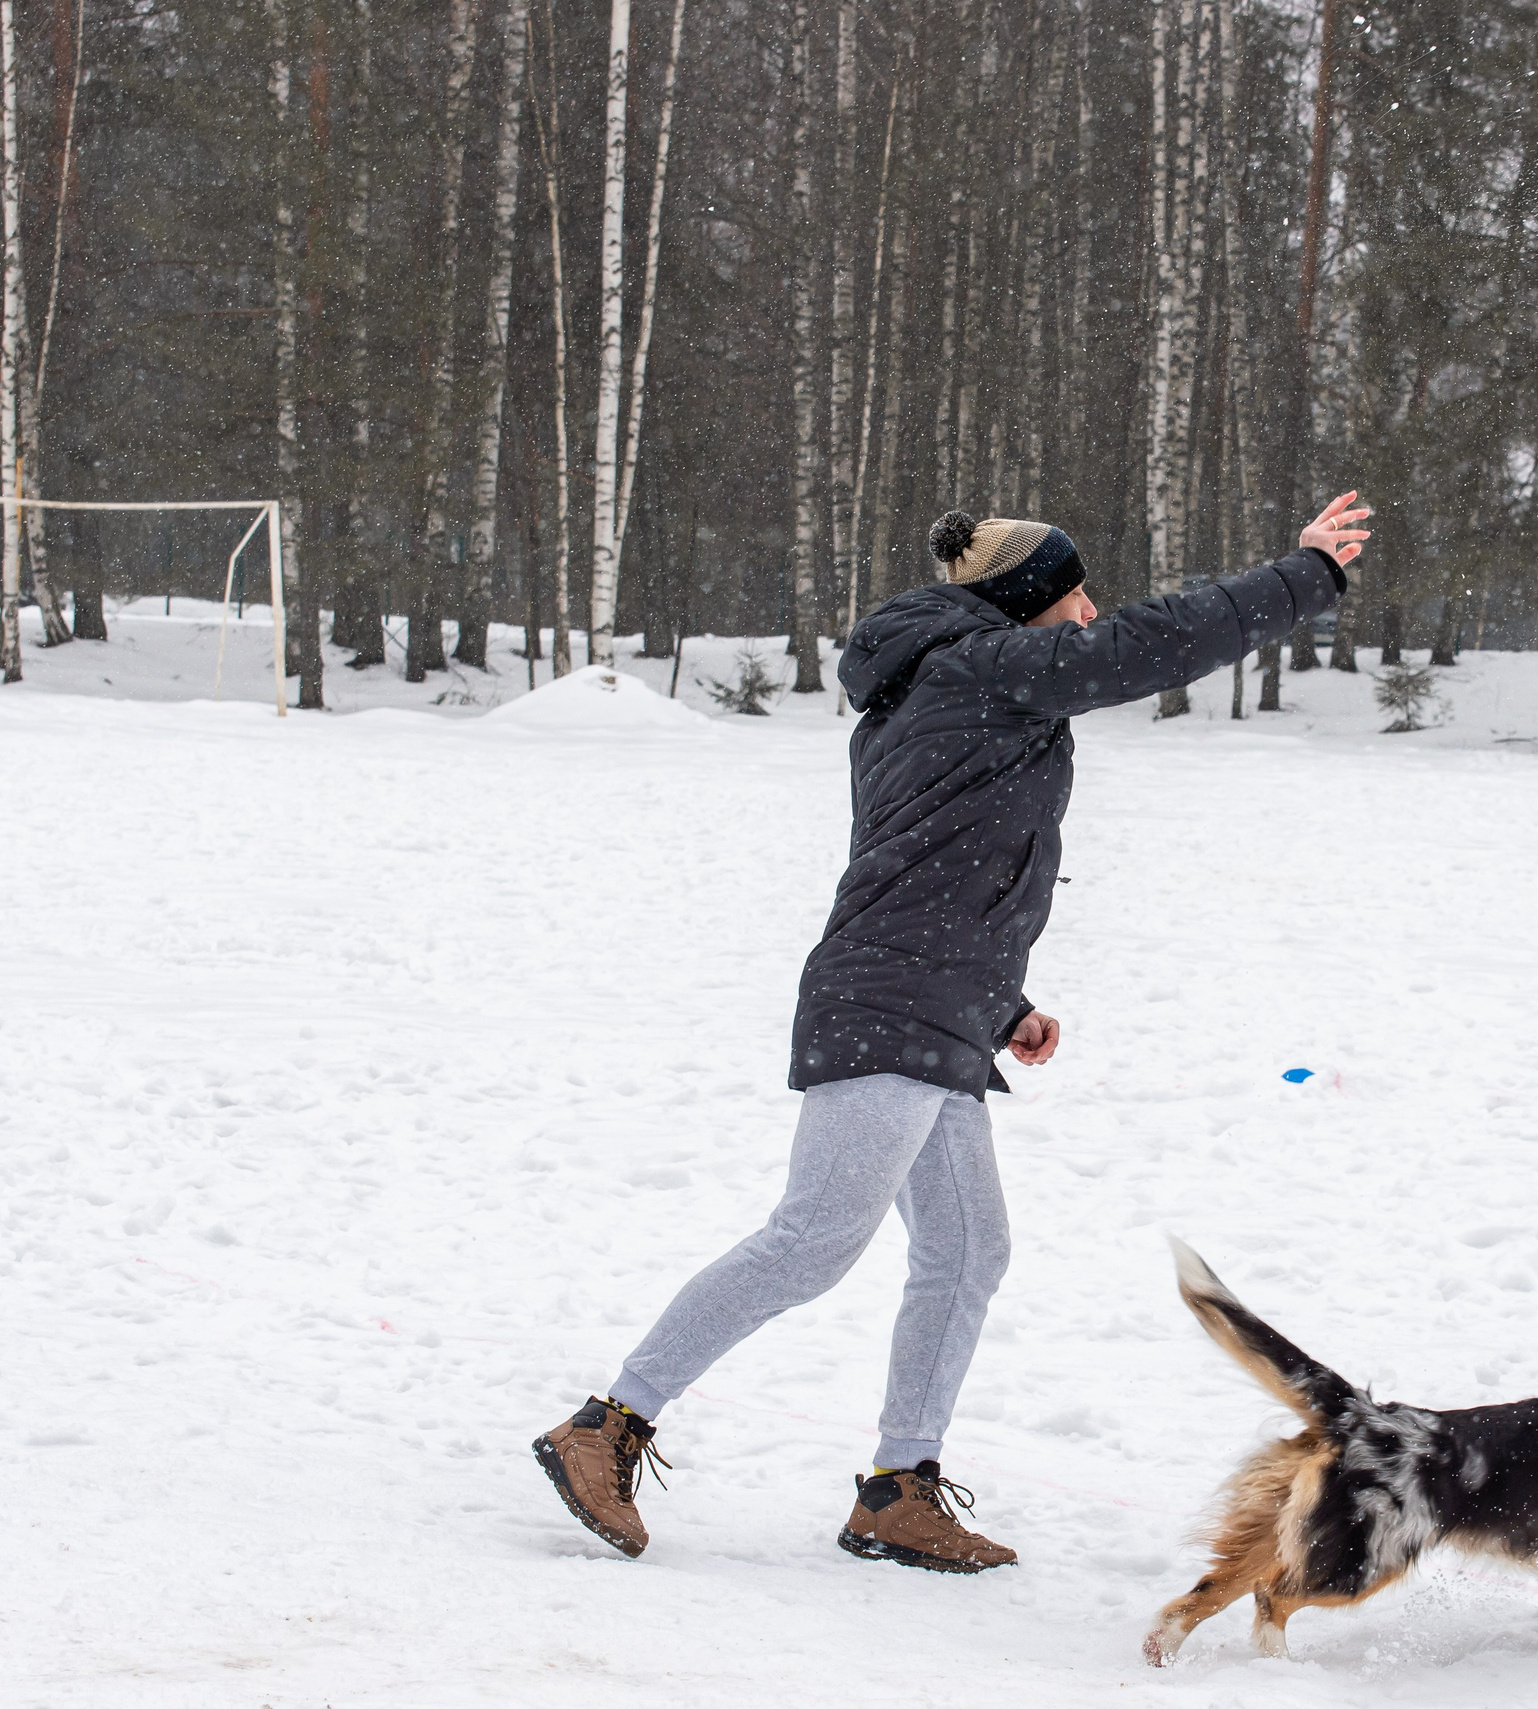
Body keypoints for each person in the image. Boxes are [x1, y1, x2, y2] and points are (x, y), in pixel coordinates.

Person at [534, 492, 1371, 1574]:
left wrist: (1001, 1004)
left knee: (969, 1246)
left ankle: (898, 1487)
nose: (1089, 614)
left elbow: (942, 864)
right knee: (816, 1236)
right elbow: (1149, 646)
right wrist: (1303, 573)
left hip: (931, 996)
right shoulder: (980, 668)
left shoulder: (947, 686)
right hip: (887, 998)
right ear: (1027, 606)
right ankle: (606, 1423)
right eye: (1074, 596)